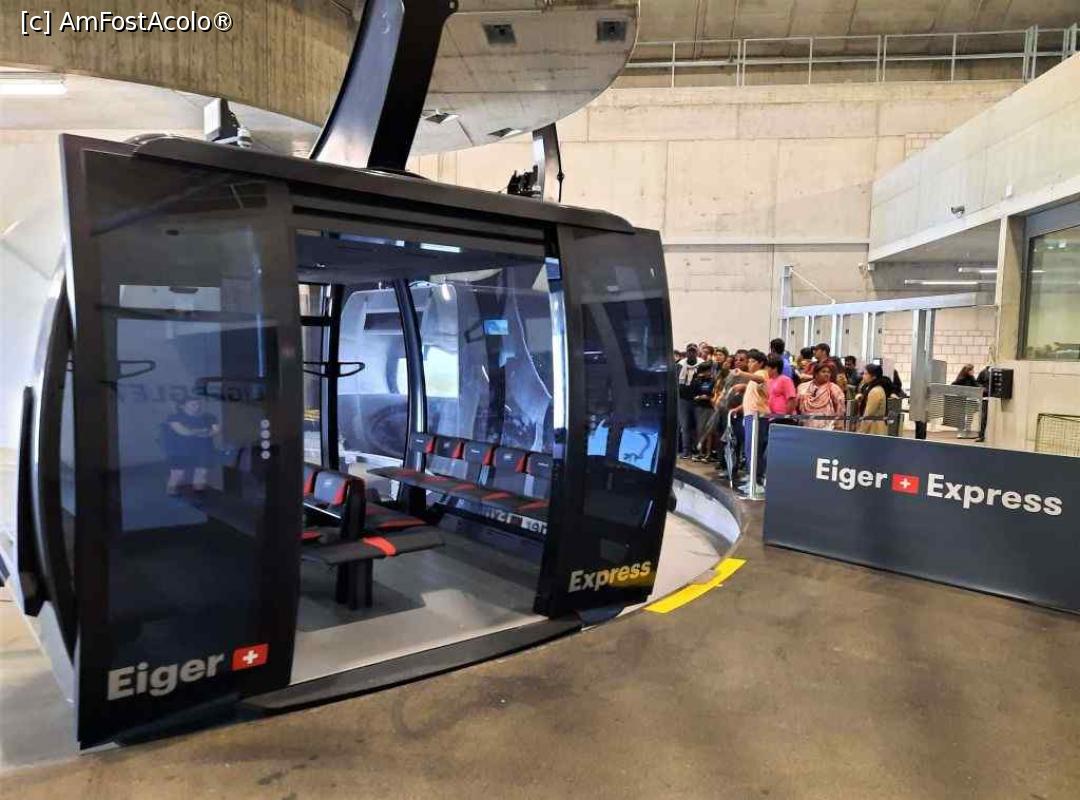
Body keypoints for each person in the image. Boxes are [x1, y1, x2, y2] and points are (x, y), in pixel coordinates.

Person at [163, 397, 220, 494]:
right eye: (193, 404)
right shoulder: (175, 417)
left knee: (201, 472)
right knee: (178, 473)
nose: (197, 406)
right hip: (180, 450)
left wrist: (207, 433)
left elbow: (216, 430)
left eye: (198, 404)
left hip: (203, 449)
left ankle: (199, 491)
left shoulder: (208, 416)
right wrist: (202, 431)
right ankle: (171, 491)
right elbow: (184, 432)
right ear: (182, 406)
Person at [740, 350, 770, 489]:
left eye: (752, 361)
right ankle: (752, 478)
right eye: (749, 361)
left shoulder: (761, 373)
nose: (749, 364)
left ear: (761, 363)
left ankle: (756, 481)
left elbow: (761, 380)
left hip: (757, 416)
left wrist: (741, 373)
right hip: (750, 415)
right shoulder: (753, 378)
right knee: (750, 449)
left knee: (753, 449)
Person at [799, 362, 847, 429]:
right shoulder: (803, 387)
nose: (827, 374)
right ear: (816, 374)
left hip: (827, 425)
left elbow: (840, 408)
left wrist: (838, 423)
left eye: (828, 372)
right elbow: (798, 405)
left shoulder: (834, 389)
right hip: (806, 424)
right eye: (823, 372)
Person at [675, 344, 702, 458]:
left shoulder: (701, 365)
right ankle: (686, 450)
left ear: (697, 353)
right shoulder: (680, 365)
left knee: (698, 426)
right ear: (686, 352)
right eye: (689, 351)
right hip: (683, 399)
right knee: (685, 426)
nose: (691, 353)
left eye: (693, 351)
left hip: (698, 400)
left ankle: (698, 451)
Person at [856, 363, 890, 435]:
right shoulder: (872, 388)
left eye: (866, 374)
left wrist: (861, 432)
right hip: (875, 427)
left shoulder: (875, 391)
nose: (863, 376)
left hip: (874, 429)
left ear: (874, 376)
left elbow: (868, 415)